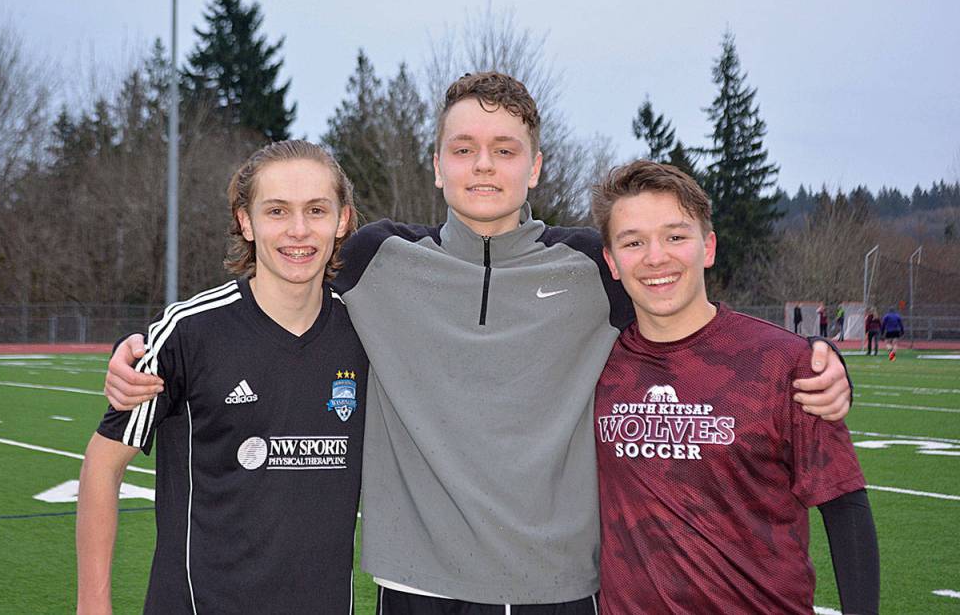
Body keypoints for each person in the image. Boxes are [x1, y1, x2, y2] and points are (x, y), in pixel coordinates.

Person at [103, 73, 853, 612]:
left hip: (560, 588)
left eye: (504, 149)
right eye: (463, 149)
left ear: (536, 166)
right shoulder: (375, 258)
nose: (483, 165)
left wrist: (820, 362)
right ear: (436, 165)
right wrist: (140, 352)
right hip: (419, 588)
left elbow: (689, 317)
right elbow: (274, 285)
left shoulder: (592, 267)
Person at [76, 141, 368, 613]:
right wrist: (92, 606)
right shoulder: (187, 332)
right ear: (246, 222)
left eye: (316, 210)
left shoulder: (366, 334)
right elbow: (102, 465)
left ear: (342, 220)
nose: (298, 230)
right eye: (277, 211)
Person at [591, 160, 878, 614]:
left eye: (675, 236)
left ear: (708, 247)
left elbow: (844, 505)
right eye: (633, 242)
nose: (655, 257)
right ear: (611, 261)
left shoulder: (785, 363)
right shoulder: (596, 364)